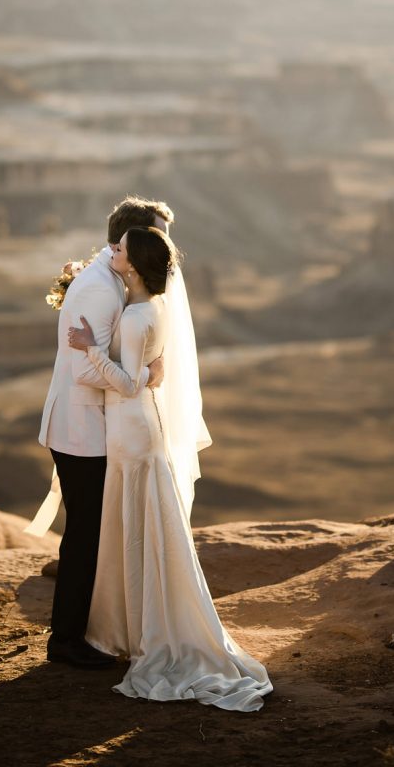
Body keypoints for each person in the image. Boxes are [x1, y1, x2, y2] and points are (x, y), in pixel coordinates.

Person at [68, 227, 273, 711]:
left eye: (118, 249)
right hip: (138, 429)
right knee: (141, 527)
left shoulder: (138, 316)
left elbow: (127, 383)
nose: (111, 252)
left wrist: (88, 347)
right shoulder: (152, 306)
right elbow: (144, 375)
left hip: (133, 431)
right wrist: (144, 373)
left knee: (139, 529)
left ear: (134, 265)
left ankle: (147, 630)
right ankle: (135, 622)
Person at [32, 197, 172, 670]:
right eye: (154, 236)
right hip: (81, 427)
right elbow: (83, 372)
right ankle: (66, 641)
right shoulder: (100, 290)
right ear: (129, 243)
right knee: (85, 535)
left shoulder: (117, 285)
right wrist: (138, 374)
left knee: (93, 532)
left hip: (95, 426)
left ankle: (87, 630)